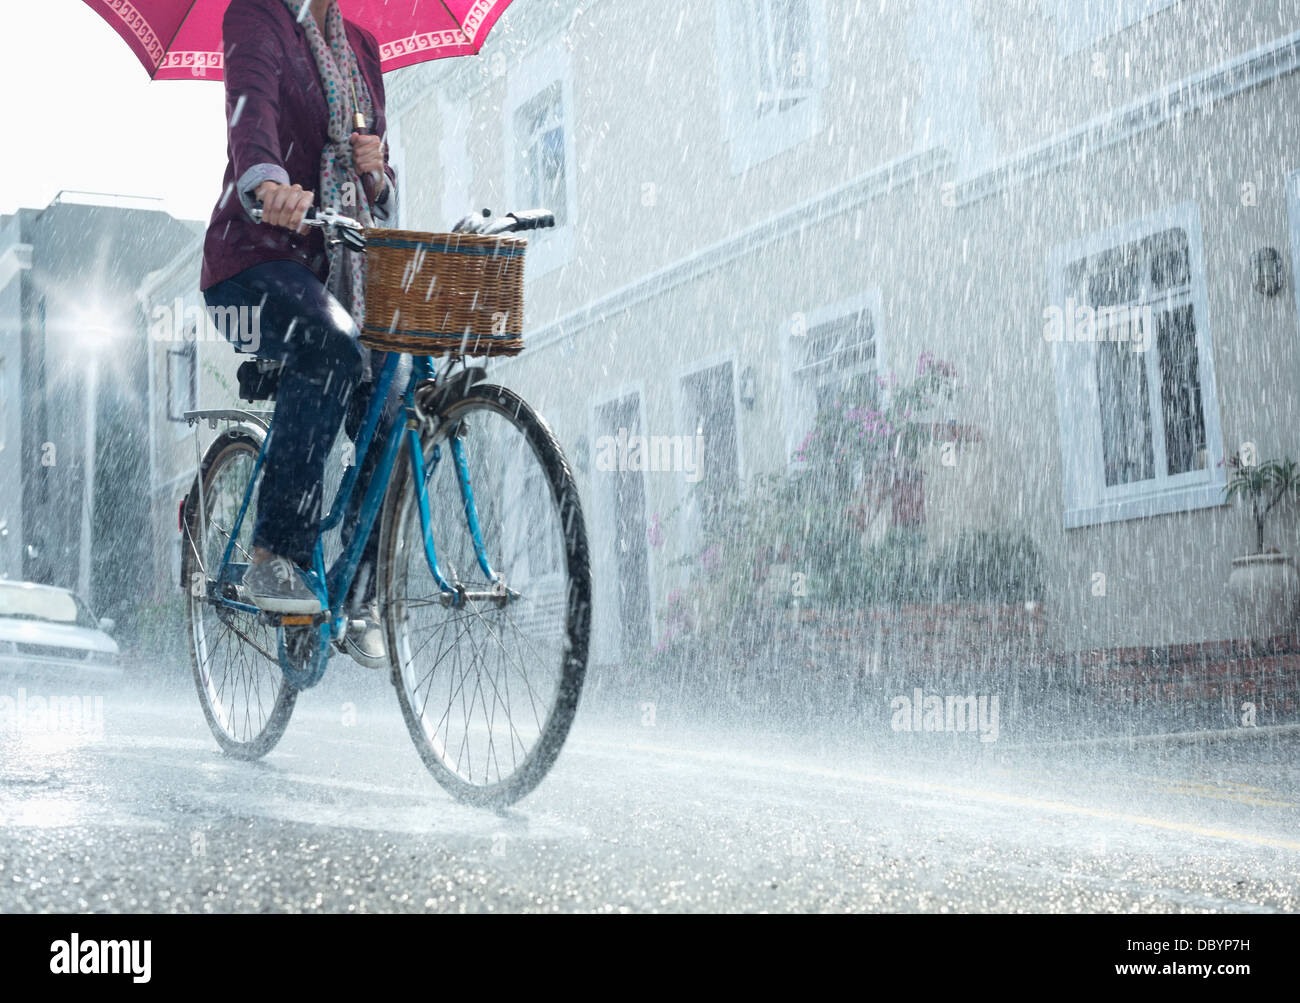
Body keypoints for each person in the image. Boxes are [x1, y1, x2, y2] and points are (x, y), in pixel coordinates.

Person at [199, 0, 405, 668]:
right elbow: (251, 112)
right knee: (328, 340)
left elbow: (375, 187)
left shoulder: (363, 49)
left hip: (339, 271)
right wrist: (267, 183)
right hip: (251, 265)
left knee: (397, 399)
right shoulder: (255, 17)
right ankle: (274, 554)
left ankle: (361, 590)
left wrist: (377, 170)